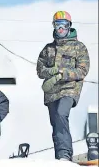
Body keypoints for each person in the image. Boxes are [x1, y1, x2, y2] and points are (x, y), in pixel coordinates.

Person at [36, 11, 90, 161]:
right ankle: (59, 157)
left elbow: (83, 70)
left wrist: (61, 74)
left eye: (63, 26)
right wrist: (50, 72)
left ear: (69, 27)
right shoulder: (48, 49)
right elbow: (40, 70)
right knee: (56, 122)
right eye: (57, 26)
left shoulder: (79, 47)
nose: (60, 29)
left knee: (61, 113)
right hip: (52, 91)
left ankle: (65, 154)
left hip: (70, 89)